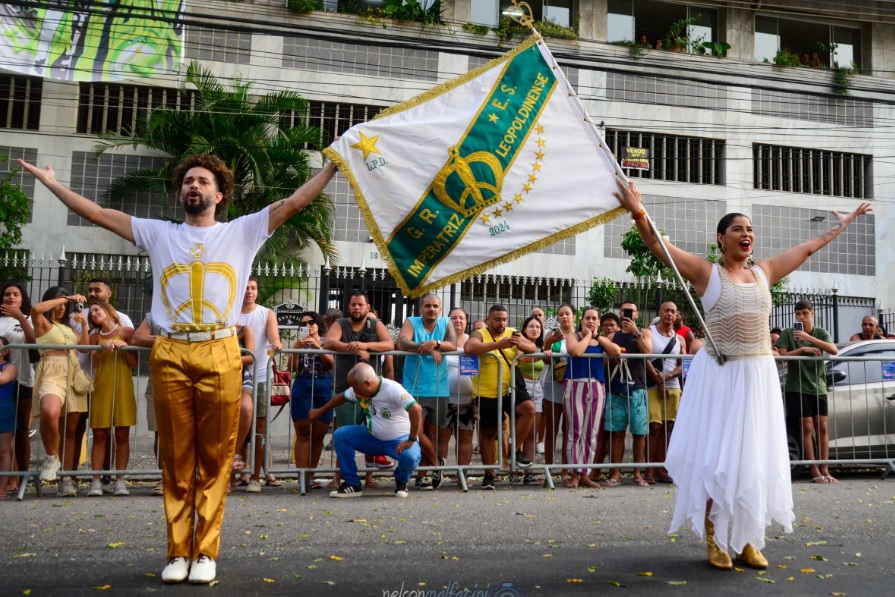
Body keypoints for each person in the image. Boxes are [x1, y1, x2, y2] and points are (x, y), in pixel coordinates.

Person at [20, 153, 337, 583]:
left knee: (215, 455)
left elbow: (294, 202)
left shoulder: (242, 231)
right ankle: (176, 553)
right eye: (188, 180)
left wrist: (332, 167)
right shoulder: (157, 233)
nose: (194, 186)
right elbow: (95, 212)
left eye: (203, 181)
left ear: (218, 194)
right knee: (176, 456)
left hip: (220, 349)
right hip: (170, 351)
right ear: (181, 193)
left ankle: (204, 553)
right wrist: (53, 184)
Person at [615, 177, 870, 570]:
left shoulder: (765, 272)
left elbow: (809, 247)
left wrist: (845, 223)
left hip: (759, 378)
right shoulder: (705, 272)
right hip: (722, 377)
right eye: (738, 228)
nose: (747, 233)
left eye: (750, 229)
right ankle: (715, 535)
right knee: (721, 459)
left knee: (755, 459)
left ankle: (748, 537)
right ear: (721, 238)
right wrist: (638, 210)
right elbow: (656, 245)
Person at [309, 362, 422, 498]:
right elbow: (341, 397)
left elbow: (416, 409)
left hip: (399, 440)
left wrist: (411, 439)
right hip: (372, 438)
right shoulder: (360, 388)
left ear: (368, 383)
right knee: (341, 435)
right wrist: (321, 411)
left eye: (356, 388)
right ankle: (352, 484)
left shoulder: (392, 388)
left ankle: (401, 481)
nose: (354, 391)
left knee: (410, 457)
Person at [324, 291, 397, 489]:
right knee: (343, 433)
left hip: (372, 391)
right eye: (353, 304)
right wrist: (353, 348)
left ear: (367, 307)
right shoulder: (340, 324)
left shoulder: (376, 325)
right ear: (349, 307)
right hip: (345, 388)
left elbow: (389, 343)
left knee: (372, 432)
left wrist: (364, 345)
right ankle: (340, 478)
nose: (356, 308)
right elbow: (329, 342)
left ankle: (369, 477)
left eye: (360, 305)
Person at [465, 304, 537, 490]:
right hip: (486, 392)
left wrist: (519, 343)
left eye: (504, 319)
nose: (502, 323)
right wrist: (499, 344)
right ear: (489, 320)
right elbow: (470, 347)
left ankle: (513, 451)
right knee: (488, 433)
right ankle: (489, 475)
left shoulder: (513, 332)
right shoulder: (481, 333)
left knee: (528, 408)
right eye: (497, 319)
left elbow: (533, 348)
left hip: (511, 388)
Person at [30, 287, 89, 489]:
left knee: (70, 431)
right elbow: (37, 309)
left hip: (72, 373)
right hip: (51, 371)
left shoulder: (69, 328)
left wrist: (85, 325)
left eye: (65, 305)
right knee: (49, 411)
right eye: (59, 303)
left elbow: (84, 347)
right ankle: (51, 457)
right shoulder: (43, 323)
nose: (62, 307)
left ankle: (66, 480)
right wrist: (67, 297)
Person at [397, 293, 455, 490]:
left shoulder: (446, 322)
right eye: (428, 306)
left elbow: (452, 344)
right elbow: (402, 342)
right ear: (421, 308)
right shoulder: (411, 321)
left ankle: (422, 475)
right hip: (414, 388)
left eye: (435, 306)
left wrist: (436, 343)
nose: (432, 309)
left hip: (439, 387)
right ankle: (437, 466)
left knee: (432, 433)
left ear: (440, 309)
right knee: (417, 432)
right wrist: (429, 348)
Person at [776, 300, 838, 483]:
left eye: (805, 313)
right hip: (797, 386)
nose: (801, 317)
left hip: (818, 386)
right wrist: (802, 348)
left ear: (813, 314)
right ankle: (813, 470)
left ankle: (825, 468)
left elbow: (833, 350)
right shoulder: (789, 333)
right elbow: (781, 356)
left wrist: (809, 338)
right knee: (806, 426)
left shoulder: (820, 333)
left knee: (823, 427)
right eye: (798, 314)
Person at [562, 307, 621, 488]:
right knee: (575, 432)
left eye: (594, 318)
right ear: (581, 320)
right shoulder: (574, 336)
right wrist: (588, 336)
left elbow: (616, 352)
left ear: (598, 322)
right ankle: (574, 473)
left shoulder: (602, 340)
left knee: (591, 432)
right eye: (587, 318)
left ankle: (585, 473)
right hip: (575, 384)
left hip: (596, 386)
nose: (590, 321)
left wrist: (599, 337)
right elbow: (576, 352)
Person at [86, 301, 137, 497]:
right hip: (102, 386)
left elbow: (133, 363)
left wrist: (124, 346)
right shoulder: (94, 337)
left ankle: (120, 480)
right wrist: (101, 348)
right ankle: (96, 481)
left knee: (122, 434)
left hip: (123, 385)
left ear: (108, 311)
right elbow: (95, 363)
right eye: (91, 313)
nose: (94, 314)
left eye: (97, 310)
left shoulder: (127, 332)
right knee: (99, 435)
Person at [237, 276, 283, 493]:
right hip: (233, 377)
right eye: (246, 287)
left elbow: (274, 338)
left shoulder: (266, 313)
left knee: (260, 428)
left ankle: (255, 477)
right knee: (236, 427)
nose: (249, 291)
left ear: (258, 291)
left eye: (253, 288)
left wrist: (276, 345)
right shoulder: (231, 313)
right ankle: (237, 474)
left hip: (261, 376)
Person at [605, 303, 652, 487]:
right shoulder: (612, 336)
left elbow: (648, 352)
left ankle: (638, 473)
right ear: (619, 313)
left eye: (631, 311)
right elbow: (605, 363)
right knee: (616, 433)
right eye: (624, 311)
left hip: (638, 388)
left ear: (637, 314)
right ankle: (615, 472)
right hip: (616, 388)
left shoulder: (644, 332)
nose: (628, 314)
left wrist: (635, 333)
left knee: (639, 433)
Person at [288, 311, 334, 491]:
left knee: (319, 434)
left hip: (324, 385)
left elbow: (331, 364)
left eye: (312, 322)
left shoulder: (326, 342)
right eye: (304, 324)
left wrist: (317, 347)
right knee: (303, 432)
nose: (308, 326)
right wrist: (297, 347)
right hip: (303, 384)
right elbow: (291, 367)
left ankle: (312, 476)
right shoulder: (297, 343)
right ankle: (302, 478)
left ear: (318, 324)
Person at [0, 282, 36, 494]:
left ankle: (22, 477)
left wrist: (21, 317)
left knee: (21, 430)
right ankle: (8, 479)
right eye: (7, 294)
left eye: (15, 294)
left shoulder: (29, 320)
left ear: (22, 298)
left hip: (23, 379)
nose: (11, 298)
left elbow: (34, 345)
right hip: (3, 382)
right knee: (4, 433)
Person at [646, 302, 683, 484]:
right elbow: (644, 356)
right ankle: (650, 469)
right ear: (660, 312)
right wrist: (657, 378)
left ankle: (664, 469)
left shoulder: (680, 339)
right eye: (666, 310)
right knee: (654, 427)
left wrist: (666, 376)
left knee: (669, 429)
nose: (669, 314)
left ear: (677, 316)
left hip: (673, 386)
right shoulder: (650, 332)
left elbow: (683, 364)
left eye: (673, 311)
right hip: (652, 385)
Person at [543, 304, 575, 485]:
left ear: (573, 317)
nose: (564, 317)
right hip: (552, 384)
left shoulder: (577, 336)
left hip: (572, 385)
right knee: (551, 429)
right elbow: (545, 358)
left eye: (567, 314)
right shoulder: (552, 336)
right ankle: (548, 469)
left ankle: (565, 470)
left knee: (568, 430)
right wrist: (548, 345)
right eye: (561, 314)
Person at [516, 315, 547, 485]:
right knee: (519, 430)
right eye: (531, 326)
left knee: (532, 433)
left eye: (538, 327)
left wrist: (546, 351)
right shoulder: (520, 343)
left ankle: (529, 472)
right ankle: (513, 469)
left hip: (537, 387)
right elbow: (523, 358)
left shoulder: (540, 346)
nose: (535, 329)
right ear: (525, 329)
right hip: (521, 386)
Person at [445, 307, 475, 483]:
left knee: (465, 437)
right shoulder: (442, 340)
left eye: (461, 318)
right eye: (454, 318)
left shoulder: (473, 341)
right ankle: (438, 473)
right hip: (444, 398)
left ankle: (462, 475)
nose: (457, 321)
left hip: (468, 399)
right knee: (442, 438)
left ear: (466, 321)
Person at [0, 337, 17, 498]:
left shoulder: (9, 367)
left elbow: (2, 378)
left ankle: (2, 488)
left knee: (3, 451)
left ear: (5, 351)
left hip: (4, 409)